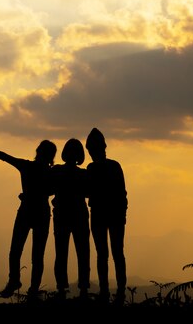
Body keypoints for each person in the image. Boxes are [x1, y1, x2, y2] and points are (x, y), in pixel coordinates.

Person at [0, 139, 57, 299]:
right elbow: (51, 191)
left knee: (15, 251)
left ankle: (14, 281)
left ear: (38, 152)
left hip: (26, 210)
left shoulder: (27, 166)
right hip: (41, 212)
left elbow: (5, 157)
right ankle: (33, 290)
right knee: (37, 255)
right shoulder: (51, 173)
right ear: (51, 156)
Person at [85, 127, 128, 305]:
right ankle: (119, 293)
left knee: (103, 254)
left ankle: (106, 292)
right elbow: (122, 193)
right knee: (116, 253)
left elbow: (87, 191)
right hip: (114, 214)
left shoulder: (92, 168)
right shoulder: (114, 165)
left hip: (100, 214)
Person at [51, 138, 91, 300]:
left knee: (61, 252)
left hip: (61, 214)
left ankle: (61, 289)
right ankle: (83, 289)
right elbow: (89, 193)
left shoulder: (56, 171)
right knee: (83, 253)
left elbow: (48, 188)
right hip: (79, 214)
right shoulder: (83, 174)